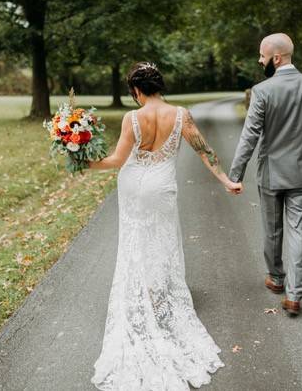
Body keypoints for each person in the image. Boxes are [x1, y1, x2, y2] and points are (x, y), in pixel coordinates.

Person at [88, 61, 241, 390]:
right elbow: (204, 151)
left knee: (134, 239)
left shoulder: (133, 118)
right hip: (161, 188)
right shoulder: (181, 115)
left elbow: (115, 160)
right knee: (161, 241)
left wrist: (83, 161)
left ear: (137, 91)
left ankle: (139, 296)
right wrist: (227, 180)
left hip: (131, 186)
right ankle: (157, 297)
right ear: (160, 86)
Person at [228, 33, 302, 317]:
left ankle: (276, 278)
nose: (260, 61)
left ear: (277, 57)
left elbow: (249, 136)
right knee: (298, 231)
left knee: (273, 229)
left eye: (262, 55)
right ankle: (295, 296)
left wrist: (236, 175)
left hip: (272, 175)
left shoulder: (263, 91)